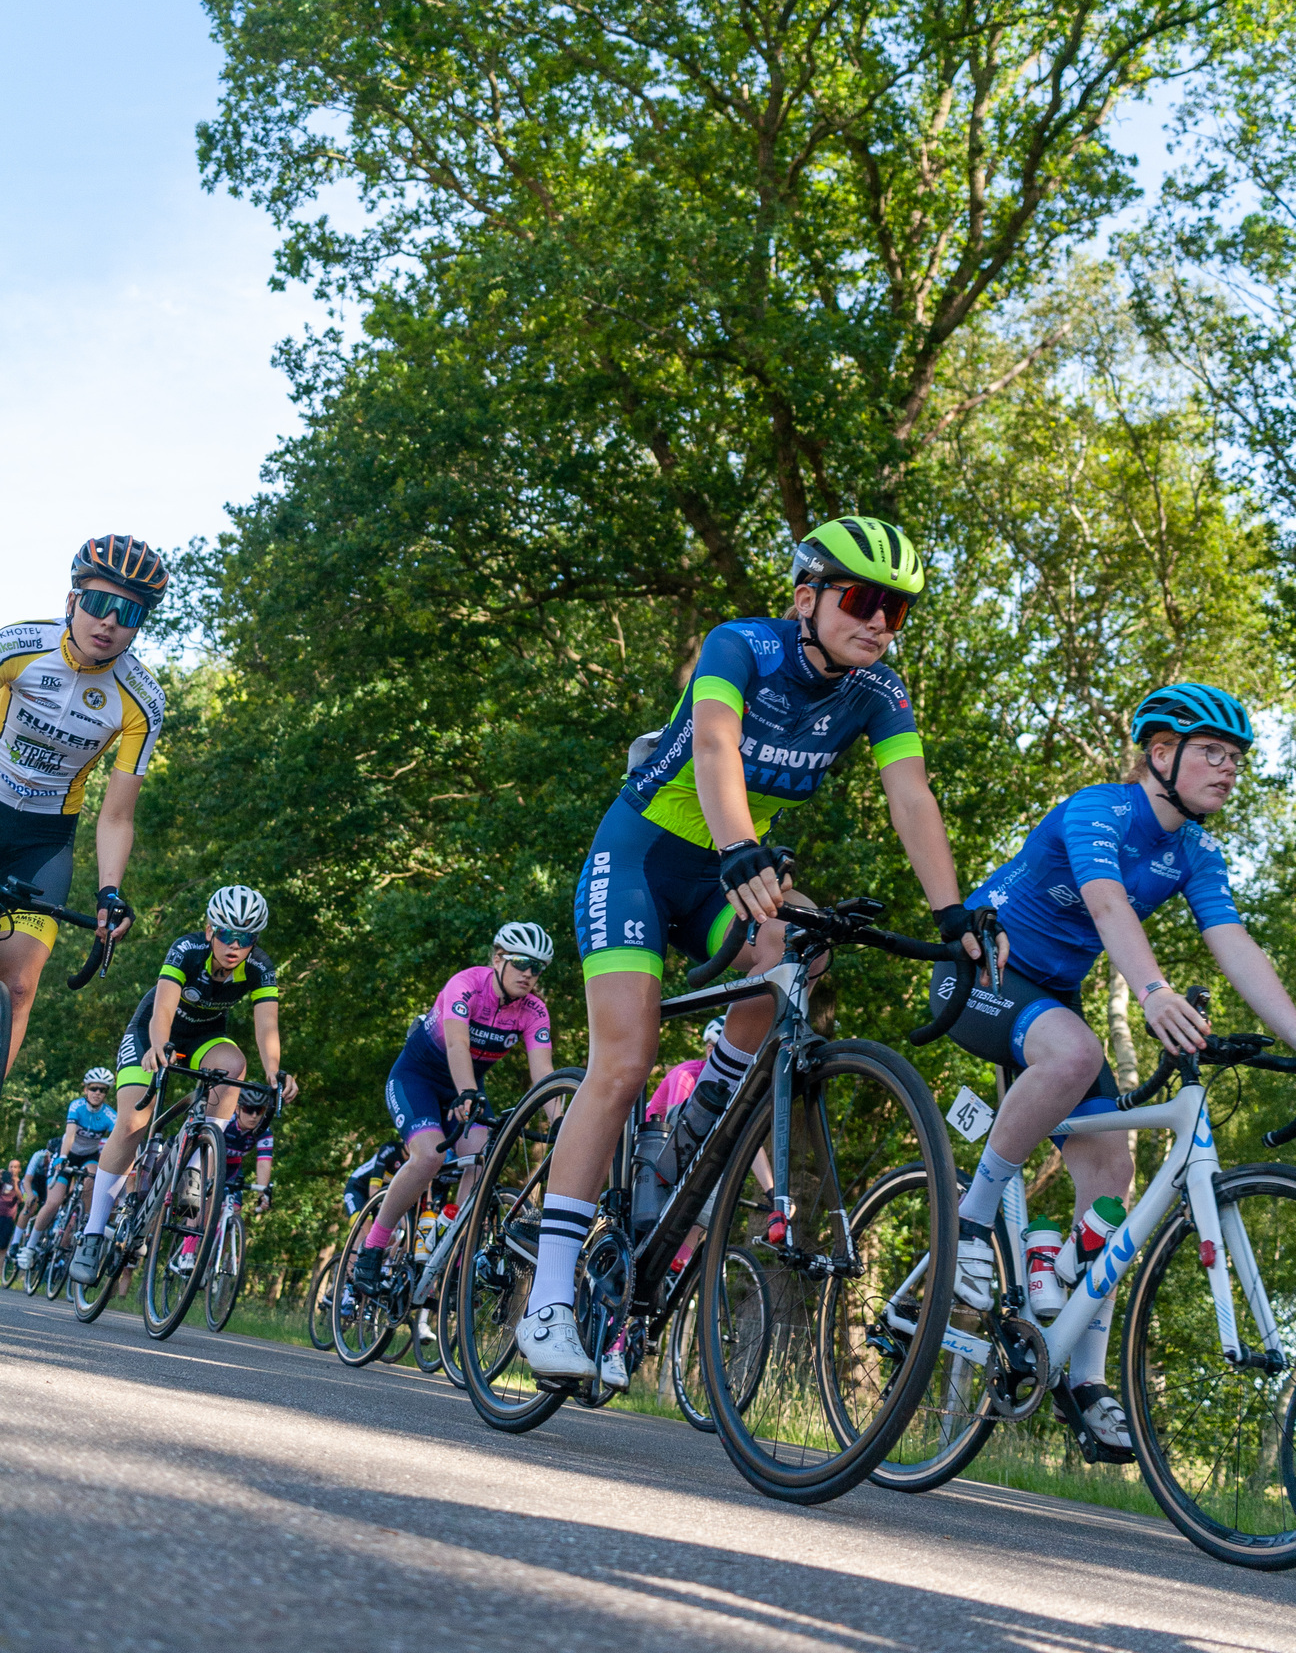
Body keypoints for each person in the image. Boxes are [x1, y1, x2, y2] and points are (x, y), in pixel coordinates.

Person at [518, 515, 1004, 1386]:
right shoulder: (740, 646)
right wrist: (739, 845)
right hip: (640, 860)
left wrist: (954, 914)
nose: (880, 624)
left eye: (897, 612)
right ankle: (548, 1296)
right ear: (806, 596)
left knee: (800, 943)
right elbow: (713, 747)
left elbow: (913, 798)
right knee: (624, 1060)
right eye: (863, 601)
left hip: (728, 873)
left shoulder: (878, 692)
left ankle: (702, 1110)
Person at [944, 682, 1296, 1457]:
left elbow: (1235, 944)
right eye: (1213, 752)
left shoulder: (1196, 851)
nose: (1229, 769)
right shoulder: (1098, 809)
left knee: (1114, 1173)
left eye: (1236, 757)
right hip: (985, 972)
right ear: (1161, 754)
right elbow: (1109, 909)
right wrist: (1155, 991)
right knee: (1076, 1052)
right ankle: (969, 1222)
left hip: (1055, 993)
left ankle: (1082, 1377)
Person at [69, 884, 298, 1286]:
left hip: (205, 1038)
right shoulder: (186, 949)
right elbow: (163, 1008)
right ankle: (92, 1234)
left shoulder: (261, 967)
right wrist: (158, 1048)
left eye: (245, 939)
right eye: (227, 934)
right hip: (152, 1032)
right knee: (133, 1122)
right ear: (210, 929)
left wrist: (274, 1073)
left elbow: (267, 1029)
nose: (234, 946)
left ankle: (194, 1167)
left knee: (234, 1066)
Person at [0, 535, 168, 1076]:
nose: (110, 622)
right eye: (99, 603)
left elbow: (116, 815)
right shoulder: (16, 647)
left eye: (129, 613)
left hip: (45, 839)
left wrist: (110, 893)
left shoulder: (141, 699)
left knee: (20, 983)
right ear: (73, 602)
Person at [352, 922, 557, 1296]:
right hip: (418, 1078)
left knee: (481, 1160)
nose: (529, 974)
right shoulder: (466, 985)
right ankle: (373, 1247)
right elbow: (457, 1046)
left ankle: (451, 1258)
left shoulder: (533, 1011)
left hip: (466, 1089)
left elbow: (543, 1071)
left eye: (538, 968)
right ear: (499, 959)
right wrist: (466, 1093)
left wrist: (560, 1120)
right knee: (429, 1157)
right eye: (522, 963)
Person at [648, 1019, 776, 1278]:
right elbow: (679, 1128)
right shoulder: (686, 1074)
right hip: (652, 1149)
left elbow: (750, 1142)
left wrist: (773, 1194)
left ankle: (674, 1274)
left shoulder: (735, 1091)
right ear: (710, 1051)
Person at [15, 1068, 115, 1269]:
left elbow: (113, 1145)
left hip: (89, 1156)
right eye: (94, 1088)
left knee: (93, 1178)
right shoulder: (76, 1106)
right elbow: (69, 1135)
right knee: (53, 1202)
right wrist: (61, 1157)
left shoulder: (110, 1115)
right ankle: (30, 1246)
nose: (98, 1093)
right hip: (68, 1154)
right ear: (86, 1089)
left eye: (103, 1090)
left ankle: (85, 1222)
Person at [342, 1137, 408, 1217]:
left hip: (382, 1191)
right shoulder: (390, 1150)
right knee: (364, 1226)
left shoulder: (419, 1161)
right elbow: (373, 1189)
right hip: (358, 1187)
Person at [0, 1158, 21, 1256]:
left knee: (2, 1246)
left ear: (19, 1169)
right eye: (11, 1167)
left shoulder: (22, 1183)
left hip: (9, 1217)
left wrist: (15, 1185)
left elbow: (22, 1199)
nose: (12, 1169)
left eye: (15, 1167)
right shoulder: (3, 1181)